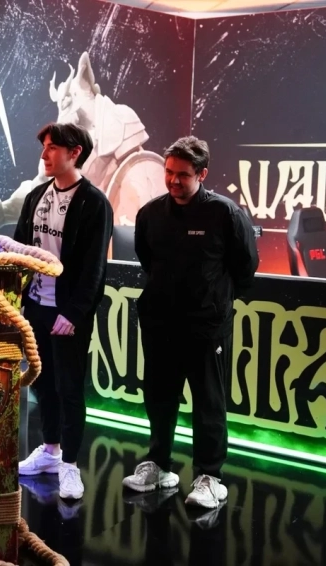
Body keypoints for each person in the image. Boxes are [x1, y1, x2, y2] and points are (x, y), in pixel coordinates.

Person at [121, 136, 259, 509]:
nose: (173, 180)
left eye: (182, 174)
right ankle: (159, 465)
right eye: (169, 172)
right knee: (159, 398)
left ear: (202, 174)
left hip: (206, 327)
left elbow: (246, 267)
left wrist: (213, 301)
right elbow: (147, 260)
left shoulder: (225, 214)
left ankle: (210, 477)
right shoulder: (150, 214)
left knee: (209, 403)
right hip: (160, 324)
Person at [13, 122, 113, 500]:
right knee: (42, 383)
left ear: (75, 152)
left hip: (67, 312)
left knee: (69, 388)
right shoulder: (36, 196)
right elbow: (20, 249)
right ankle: (50, 450)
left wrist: (73, 313)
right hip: (35, 306)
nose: (44, 154)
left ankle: (70, 464)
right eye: (44, 147)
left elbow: (94, 268)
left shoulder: (94, 203)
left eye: (53, 147)